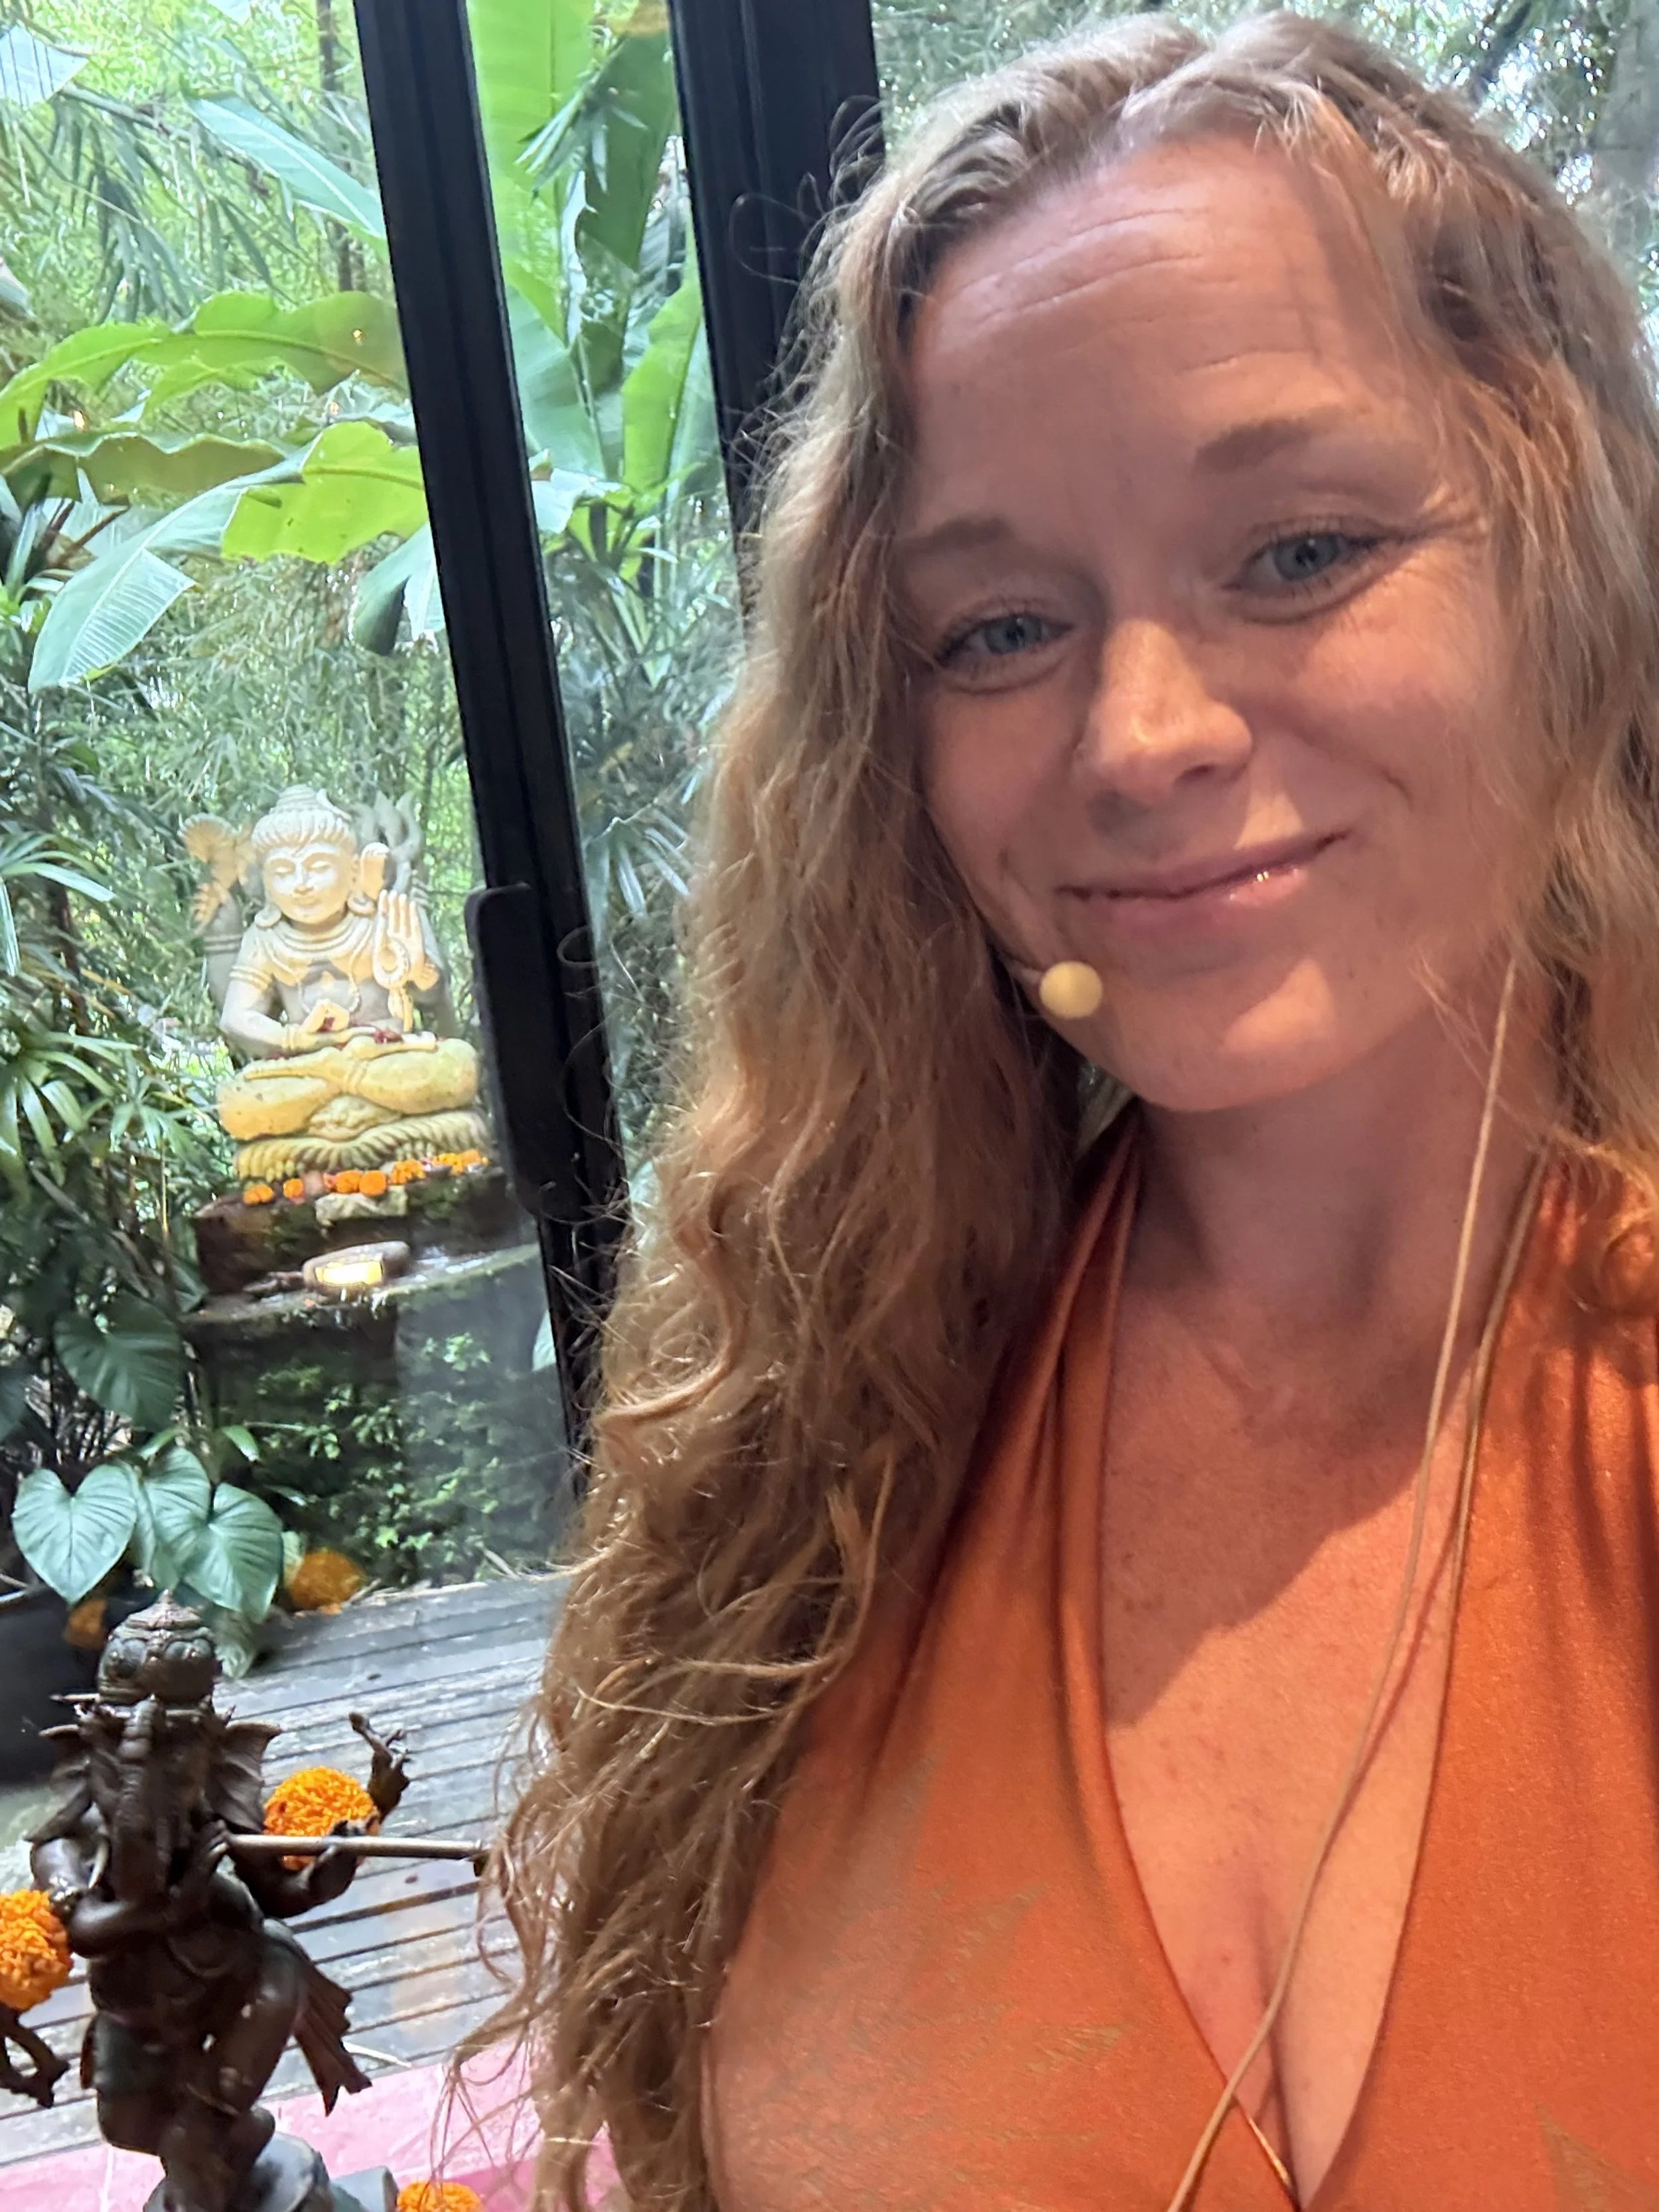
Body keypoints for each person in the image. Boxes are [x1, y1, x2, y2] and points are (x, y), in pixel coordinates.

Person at [480, 13, 1659, 2209]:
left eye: (1296, 552)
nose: (1136, 732)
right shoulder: (813, 1455)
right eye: (1001, 626)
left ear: (1563, 563)